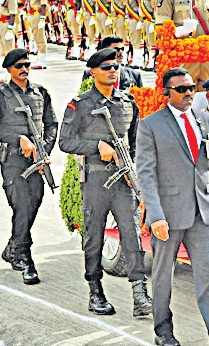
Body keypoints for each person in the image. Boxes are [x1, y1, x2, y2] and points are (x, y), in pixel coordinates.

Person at [136, 67, 209, 346]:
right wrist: (155, 216)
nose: (188, 93)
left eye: (191, 87)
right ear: (167, 92)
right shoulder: (150, 125)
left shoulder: (205, 120)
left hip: (204, 212)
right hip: (168, 214)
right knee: (163, 276)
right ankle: (163, 332)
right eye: (181, 89)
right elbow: (146, 173)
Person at [58, 48, 151, 317]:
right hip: (96, 179)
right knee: (94, 237)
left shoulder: (127, 103)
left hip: (122, 180)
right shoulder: (81, 104)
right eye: (107, 67)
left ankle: (139, 294)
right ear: (94, 72)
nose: (113, 70)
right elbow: (65, 142)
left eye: (116, 66)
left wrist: (136, 173)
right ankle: (95, 292)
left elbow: (136, 144)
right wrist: (96, 145)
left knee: (132, 236)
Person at [0, 49, 57, 285]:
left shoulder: (41, 93)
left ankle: (13, 247)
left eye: (27, 64)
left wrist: (44, 150)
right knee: (23, 205)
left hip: (36, 161)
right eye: (19, 65)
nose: (24, 69)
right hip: (13, 160)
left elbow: (51, 124)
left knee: (34, 202)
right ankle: (24, 256)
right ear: (9, 69)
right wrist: (17, 138)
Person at [27, 0, 49, 69]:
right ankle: (39, 59)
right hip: (32, 14)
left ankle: (42, 61)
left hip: (38, 14)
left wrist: (42, 19)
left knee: (40, 37)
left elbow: (44, 4)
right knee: (35, 37)